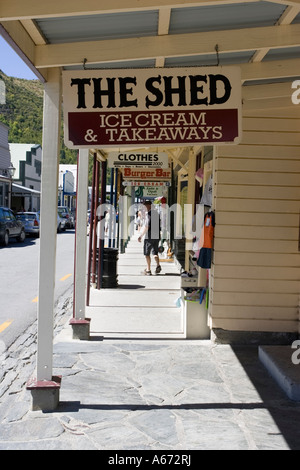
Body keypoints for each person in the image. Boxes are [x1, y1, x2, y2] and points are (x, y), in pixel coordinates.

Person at [138, 200, 162, 275]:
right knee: (155, 252)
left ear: (148, 206)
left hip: (150, 236)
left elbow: (147, 226)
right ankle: (158, 265)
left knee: (147, 253)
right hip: (157, 235)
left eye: (144, 206)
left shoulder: (149, 214)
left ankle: (148, 270)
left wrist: (141, 236)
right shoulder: (157, 214)